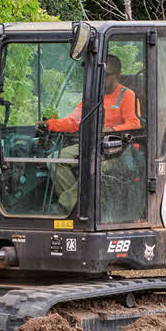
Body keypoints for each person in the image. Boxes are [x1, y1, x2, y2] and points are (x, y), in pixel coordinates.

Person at [36, 55, 141, 213]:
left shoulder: (127, 95)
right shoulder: (92, 96)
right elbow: (73, 122)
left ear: (117, 75)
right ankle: (78, 207)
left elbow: (134, 125)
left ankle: (65, 205)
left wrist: (112, 130)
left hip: (117, 149)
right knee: (54, 160)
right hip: (92, 144)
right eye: (100, 74)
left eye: (106, 75)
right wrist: (49, 125)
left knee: (93, 167)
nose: (102, 79)